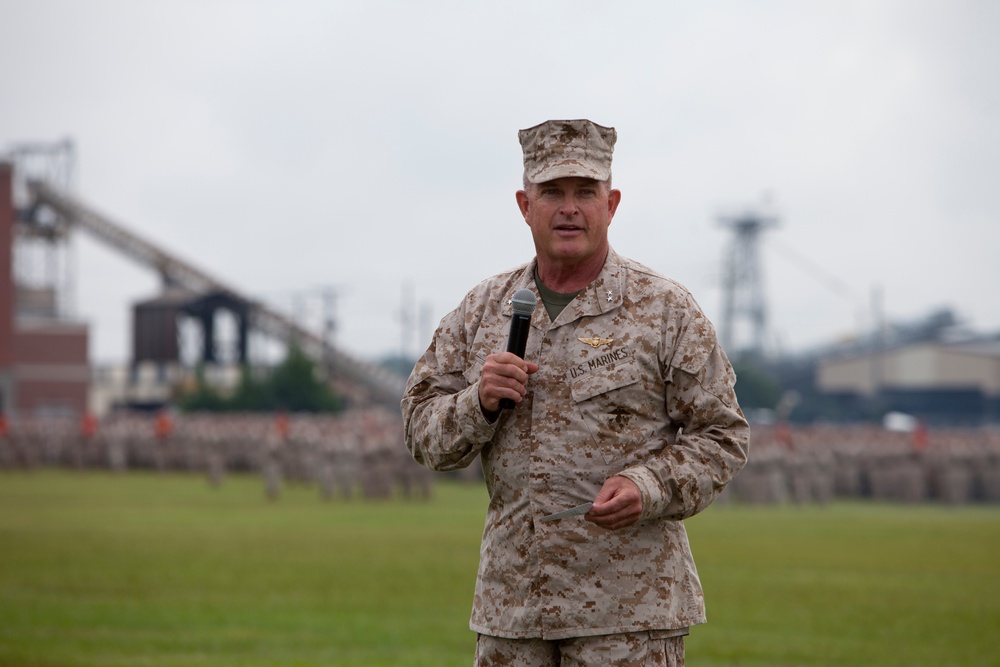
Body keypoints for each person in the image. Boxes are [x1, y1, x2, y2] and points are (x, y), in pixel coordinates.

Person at [401, 119, 749, 666]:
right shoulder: (481, 311)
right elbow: (422, 431)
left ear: (611, 204)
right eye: (552, 193)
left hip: (628, 617)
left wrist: (649, 485)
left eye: (585, 192)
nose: (569, 208)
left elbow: (722, 436)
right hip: (514, 615)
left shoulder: (664, 310)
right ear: (524, 204)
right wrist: (478, 404)